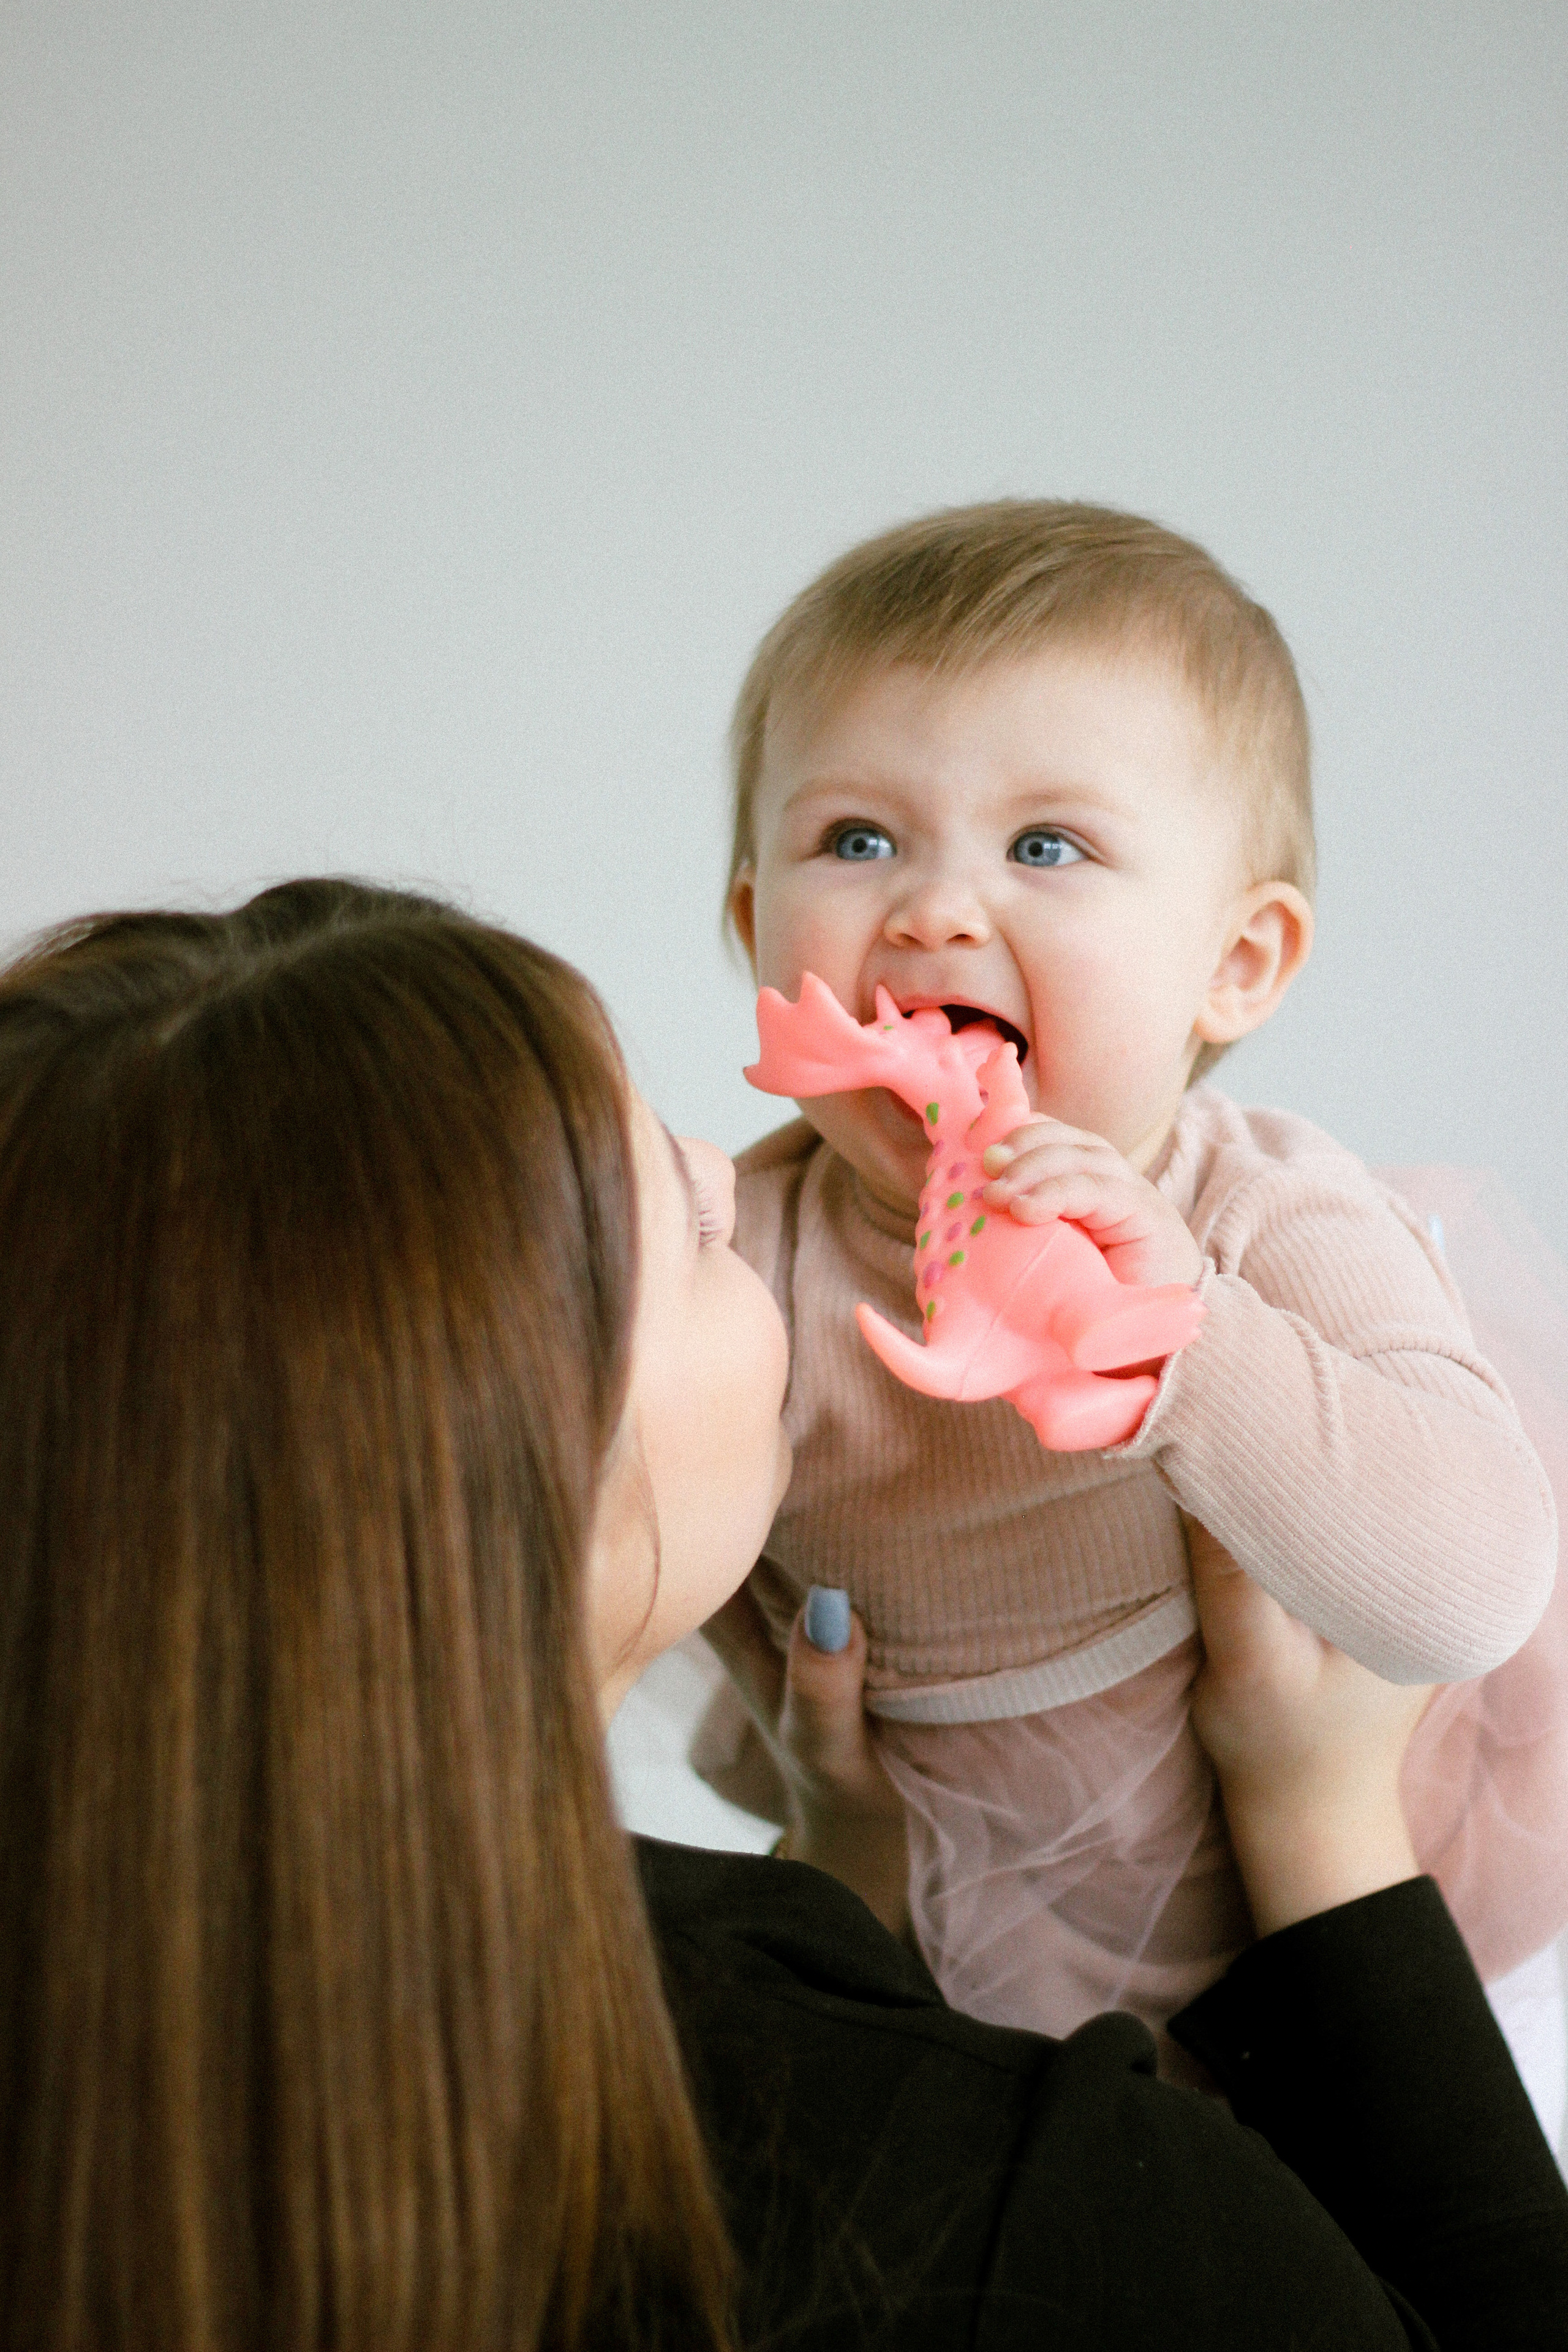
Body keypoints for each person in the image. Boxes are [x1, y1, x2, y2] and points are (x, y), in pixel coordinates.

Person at [1, 876, 1565, 2350]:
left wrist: (842, 1884)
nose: (739, 1183)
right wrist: (1326, 1828)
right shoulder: (1031, 2228)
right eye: (687, 1230)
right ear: (510, 1489)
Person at [701, 497, 1568, 2104]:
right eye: (855, 840)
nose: (935, 912)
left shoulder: (1260, 1209)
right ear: (757, 928)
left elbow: (1472, 1592)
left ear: (1237, 963)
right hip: (942, 1936)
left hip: (1282, 1934)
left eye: (1048, 849)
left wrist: (1187, 1353)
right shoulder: (738, 1243)